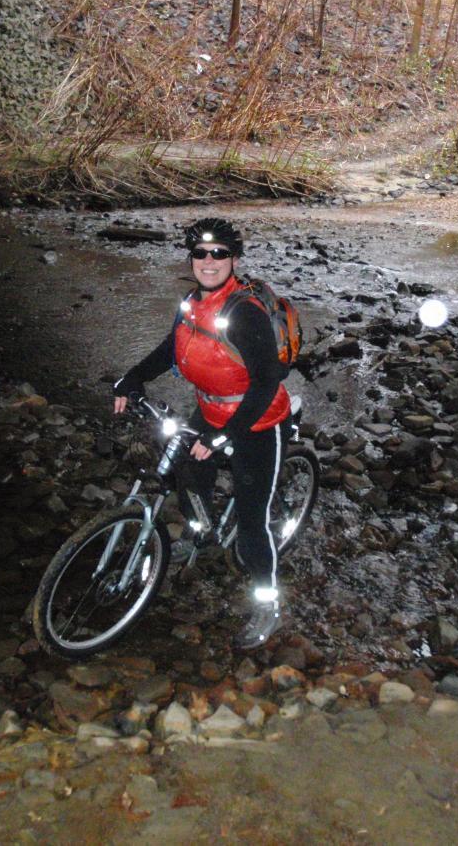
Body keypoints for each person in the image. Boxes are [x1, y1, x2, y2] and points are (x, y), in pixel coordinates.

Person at [112, 218, 291, 651]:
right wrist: (132, 379)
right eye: (200, 254)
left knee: (251, 524)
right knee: (189, 471)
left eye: (219, 254)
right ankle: (200, 529)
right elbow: (170, 349)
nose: (208, 262)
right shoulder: (191, 303)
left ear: (234, 259)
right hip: (211, 408)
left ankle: (268, 604)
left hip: (256, 420)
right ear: (190, 258)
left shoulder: (242, 313)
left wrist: (225, 434)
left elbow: (266, 381)